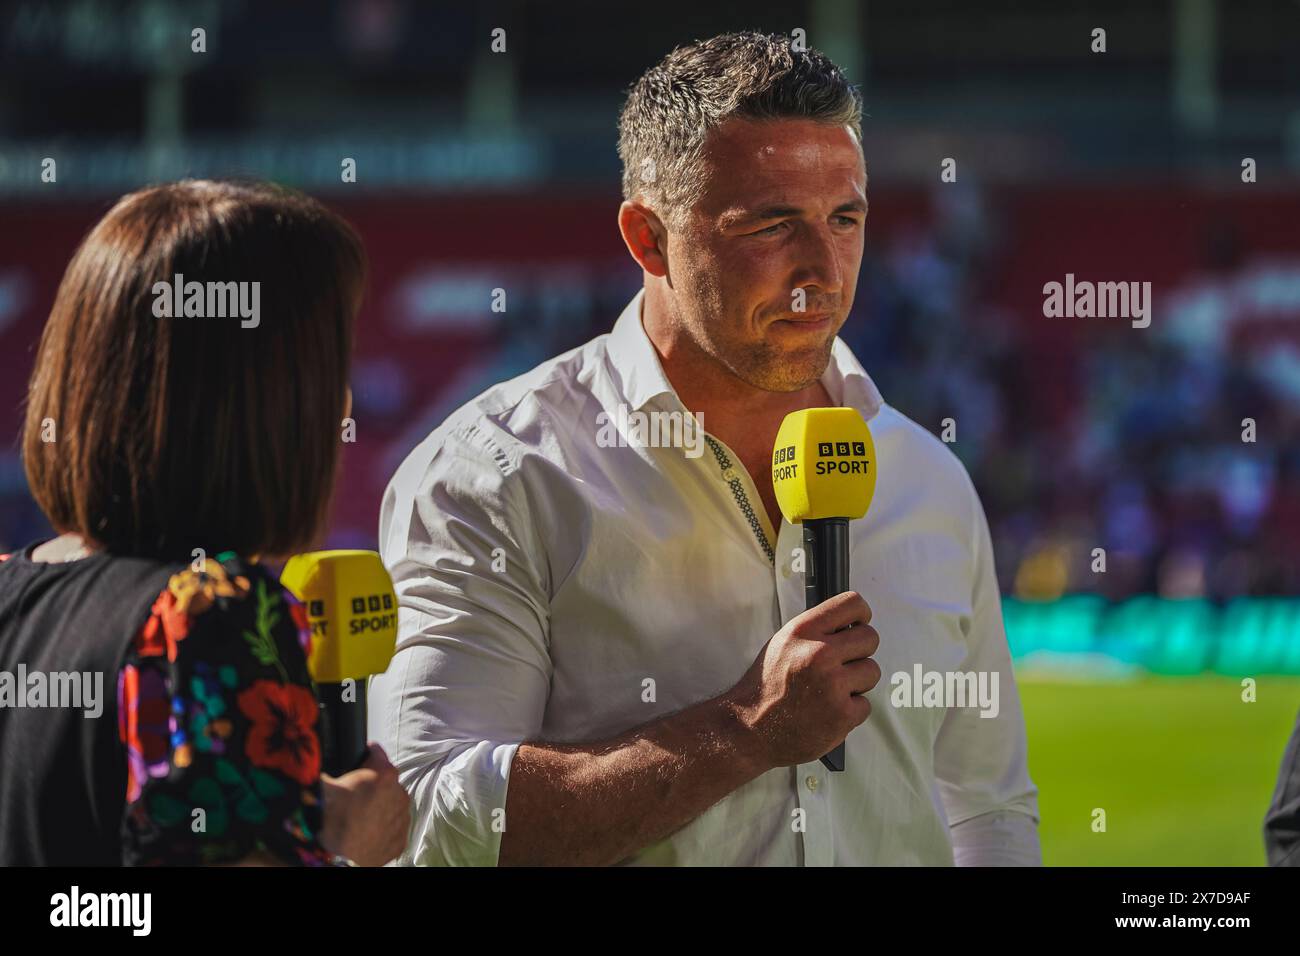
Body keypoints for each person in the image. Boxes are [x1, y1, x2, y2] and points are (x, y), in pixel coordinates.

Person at [369, 32, 1039, 866]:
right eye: (771, 224)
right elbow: (422, 822)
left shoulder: (927, 476)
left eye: (846, 219)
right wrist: (743, 730)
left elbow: (987, 808)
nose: (822, 272)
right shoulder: (494, 475)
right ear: (648, 239)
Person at [0, 179, 409, 866]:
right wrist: (344, 845)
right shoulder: (210, 615)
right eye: (328, 368)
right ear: (264, 403)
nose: (340, 403)